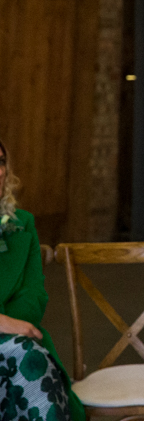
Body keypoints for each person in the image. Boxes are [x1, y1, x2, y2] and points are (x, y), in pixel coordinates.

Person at [0, 138, 86, 421]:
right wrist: (4, 322)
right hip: (14, 338)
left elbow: (34, 295)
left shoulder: (21, 224)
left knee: (32, 362)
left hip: (15, 343)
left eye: (1, 162)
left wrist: (10, 327)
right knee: (26, 356)